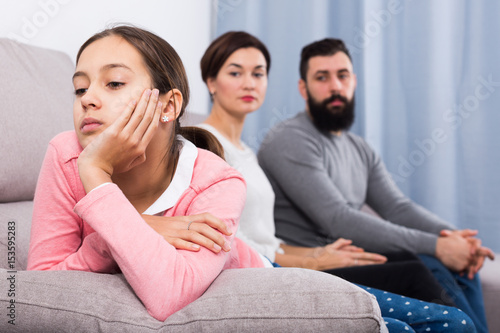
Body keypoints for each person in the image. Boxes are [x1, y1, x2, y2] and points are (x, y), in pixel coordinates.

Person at [197, 30, 476, 333]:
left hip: (287, 261)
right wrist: (314, 260)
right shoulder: (209, 145)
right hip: (268, 273)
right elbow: (331, 219)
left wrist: (453, 237)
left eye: (258, 73)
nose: (249, 83)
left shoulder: (248, 151)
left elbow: (397, 206)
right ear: (211, 81)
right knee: (424, 275)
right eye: (235, 72)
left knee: (450, 268)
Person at [26, 25, 268, 322]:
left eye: (114, 83)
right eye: (80, 88)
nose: (87, 99)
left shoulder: (219, 182)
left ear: (168, 105)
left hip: (263, 280)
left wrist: (98, 175)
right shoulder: (67, 156)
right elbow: (36, 291)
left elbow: (170, 296)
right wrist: (135, 229)